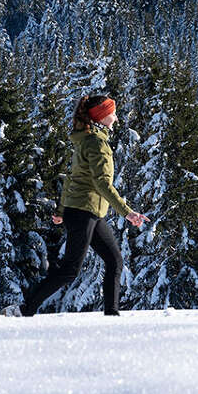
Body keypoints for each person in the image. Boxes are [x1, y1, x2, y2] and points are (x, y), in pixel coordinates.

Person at [22, 94, 149, 317]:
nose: (116, 118)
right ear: (102, 116)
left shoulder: (90, 139)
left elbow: (72, 177)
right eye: (113, 113)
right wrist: (127, 212)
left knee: (114, 260)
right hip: (83, 211)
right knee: (71, 270)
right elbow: (102, 184)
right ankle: (25, 309)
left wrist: (61, 211)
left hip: (88, 211)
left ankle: (112, 314)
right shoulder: (96, 143)